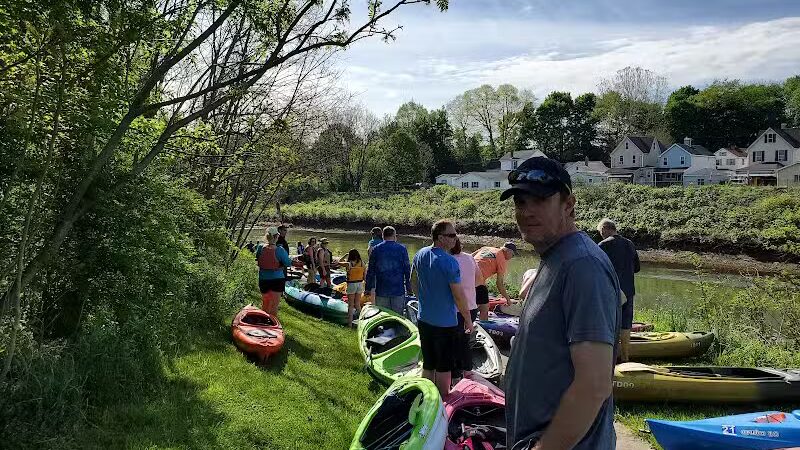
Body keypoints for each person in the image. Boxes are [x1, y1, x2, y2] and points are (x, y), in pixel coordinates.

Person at [500, 157, 620, 450]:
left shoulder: (582, 265)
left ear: (568, 204)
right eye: (520, 202)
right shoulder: (556, 258)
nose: (526, 211)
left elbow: (594, 386)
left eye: (539, 200)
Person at [411, 220, 473, 397]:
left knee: (429, 362)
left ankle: (427, 397)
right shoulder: (449, 262)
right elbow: (459, 296)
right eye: (451, 235)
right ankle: (443, 400)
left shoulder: (420, 254)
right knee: (444, 365)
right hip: (445, 323)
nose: (455, 238)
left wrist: (422, 300)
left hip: (424, 318)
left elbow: (413, 281)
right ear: (440, 238)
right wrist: (468, 321)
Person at [597, 217, 640, 363]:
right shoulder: (630, 244)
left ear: (604, 229)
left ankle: (611, 357)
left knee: (611, 324)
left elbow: (595, 269)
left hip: (611, 292)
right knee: (626, 324)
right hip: (628, 291)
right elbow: (637, 268)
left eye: (600, 232)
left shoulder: (603, 245)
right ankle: (626, 357)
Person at [450, 237, 481, 380]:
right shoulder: (470, 258)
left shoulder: (448, 260)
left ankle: (456, 374)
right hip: (472, 307)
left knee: (454, 343)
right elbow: (479, 280)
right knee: (465, 340)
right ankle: (468, 370)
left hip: (455, 309)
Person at [365, 226, 412, 314]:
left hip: (381, 289)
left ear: (383, 236)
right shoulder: (402, 249)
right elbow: (407, 270)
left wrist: (367, 288)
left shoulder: (376, 249)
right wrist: (409, 288)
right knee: (398, 317)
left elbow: (371, 271)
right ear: (394, 235)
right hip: (398, 289)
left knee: (383, 316)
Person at [473, 242, 517, 320]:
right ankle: (481, 325)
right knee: (485, 307)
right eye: (513, 255)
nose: (511, 258)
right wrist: (508, 299)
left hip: (464, 273)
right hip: (476, 279)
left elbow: (470, 256)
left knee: (474, 301)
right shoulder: (502, 260)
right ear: (508, 251)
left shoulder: (487, 248)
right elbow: (499, 283)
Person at [255, 227, 293, 316]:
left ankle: (263, 323)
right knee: (274, 306)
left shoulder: (260, 247)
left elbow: (258, 258)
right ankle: (272, 325)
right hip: (277, 279)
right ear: (276, 237)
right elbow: (288, 263)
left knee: (265, 304)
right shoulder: (280, 250)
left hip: (263, 279)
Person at [339, 249, 365, 327]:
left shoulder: (348, 264)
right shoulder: (362, 263)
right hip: (360, 284)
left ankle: (349, 324)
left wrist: (346, 255)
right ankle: (362, 322)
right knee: (357, 304)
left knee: (350, 305)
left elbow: (339, 261)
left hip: (351, 284)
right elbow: (365, 274)